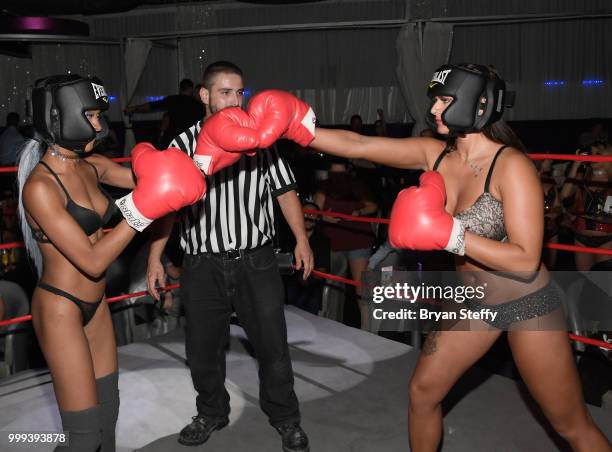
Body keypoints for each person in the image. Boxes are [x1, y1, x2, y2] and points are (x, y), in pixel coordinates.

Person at [225, 64, 610, 451]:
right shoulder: (435, 154)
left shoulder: (512, 166)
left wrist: (450, 234)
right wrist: (300, 127)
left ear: (478, 105)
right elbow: (360, 145)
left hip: (528, 304)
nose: (435, 110)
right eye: (436, 100)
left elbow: (526, 260)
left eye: (445, 100)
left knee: (570, 424)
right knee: (422, 393)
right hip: (475, 305)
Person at [17, 74, 206, 452]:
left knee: (108, 421)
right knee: (84, 438)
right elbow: (92, 258)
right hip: (60, 308)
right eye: (91, 115)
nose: (101, 124)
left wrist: (204, 158)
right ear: (63, 116)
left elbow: (162, 186)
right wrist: (138, 211)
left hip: (97, 304)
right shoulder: (40, 187)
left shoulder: (93, 166)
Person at [146, 61, 313, 452]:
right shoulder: (180, 145)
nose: (236, 100)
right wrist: (155, 258)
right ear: (204, 95)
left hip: (257, 260)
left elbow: (285, 190)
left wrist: (301, 239)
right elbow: (164, 207)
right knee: (202, 349)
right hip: (201, 264)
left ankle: (286, 418)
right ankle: (211, 412)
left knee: (273, 346)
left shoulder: (261, 141)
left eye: (240, 92)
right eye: (226, 92)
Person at [314, 158, 378, 329]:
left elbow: (372, 206)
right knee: (333, 286)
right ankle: (333, 326)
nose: (338, 177)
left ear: (348, 171)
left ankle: (368, 329)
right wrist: (323, 216)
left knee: (361, 287)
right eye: (334, 173)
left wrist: (359, 211)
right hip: (333, 241)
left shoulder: (357, 184)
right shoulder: (324, 187)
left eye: (341, 173)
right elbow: (313, 210)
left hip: (357, 240)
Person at [561, 141, 612, 271]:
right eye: (592, 153)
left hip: (606, 238)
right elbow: (565, 196)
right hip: (580, 237)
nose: (593, 156)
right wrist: (575, 164)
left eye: (598, 153)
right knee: (586, 280)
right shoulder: (582, 176)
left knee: (603, 282)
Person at [124, 78, 204, 148]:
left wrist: (134, 108)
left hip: (172, 139)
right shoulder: (197, 105)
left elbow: (152, 105)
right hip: (189, 140)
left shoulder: (172, 100)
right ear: (191, 88)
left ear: (180, 88)